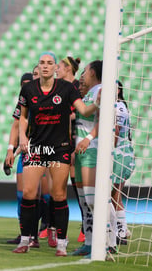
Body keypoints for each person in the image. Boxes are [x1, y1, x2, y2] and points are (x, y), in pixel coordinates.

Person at [12, 52, 99, 256]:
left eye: (50, 63)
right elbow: (23, 118)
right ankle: (26, 240)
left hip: (59, 147)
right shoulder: (28, 89)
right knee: (28, 193)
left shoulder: (67, 88)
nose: (45, 66)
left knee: (58, 195)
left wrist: (98, 103)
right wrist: (23, 137)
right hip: (37, 147)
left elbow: (84, 111)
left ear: (54, 68)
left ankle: (61, 243)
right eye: (42, 63)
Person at [71, 60, 103, 256]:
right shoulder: (90, 92)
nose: (82, 74)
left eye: (85, 71)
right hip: (81, 150)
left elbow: (104, 119)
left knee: (92, 199)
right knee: (84, 201)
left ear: (94, 72)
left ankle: (106, 241)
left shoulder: (101, 90)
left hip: (92, 149)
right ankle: (89, 243)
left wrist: (89, 138)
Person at [55, 56, 86, 243]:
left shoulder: (77, 87)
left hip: (75, 141)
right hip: (57, 141)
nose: (56, 70)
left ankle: (86, 227)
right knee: (56, 188)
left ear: (67, 68)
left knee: (78, 188)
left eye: (58, 67)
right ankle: (54, 229)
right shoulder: (56, 86)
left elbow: (81, 113)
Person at [4, 71, 35, 245]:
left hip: (41, 151)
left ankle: (42, 232)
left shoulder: (40, 101)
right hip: (24, 152)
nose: (25, 87)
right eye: (22, 84)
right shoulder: (21, 104)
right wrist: (11, 150)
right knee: (21, 195)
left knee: (43, 196)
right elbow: (16, 125)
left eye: (28, 83)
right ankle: (25, 232)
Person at [111, 80, 135, 245]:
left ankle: (120, 231)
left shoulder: (118, 107)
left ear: (118, 90)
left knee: (114, 195)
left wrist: (108, 152)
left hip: (120, 155)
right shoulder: (120, 106)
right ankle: (122, 230)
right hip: (124, 154)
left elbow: (116, 132)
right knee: (114, 194)